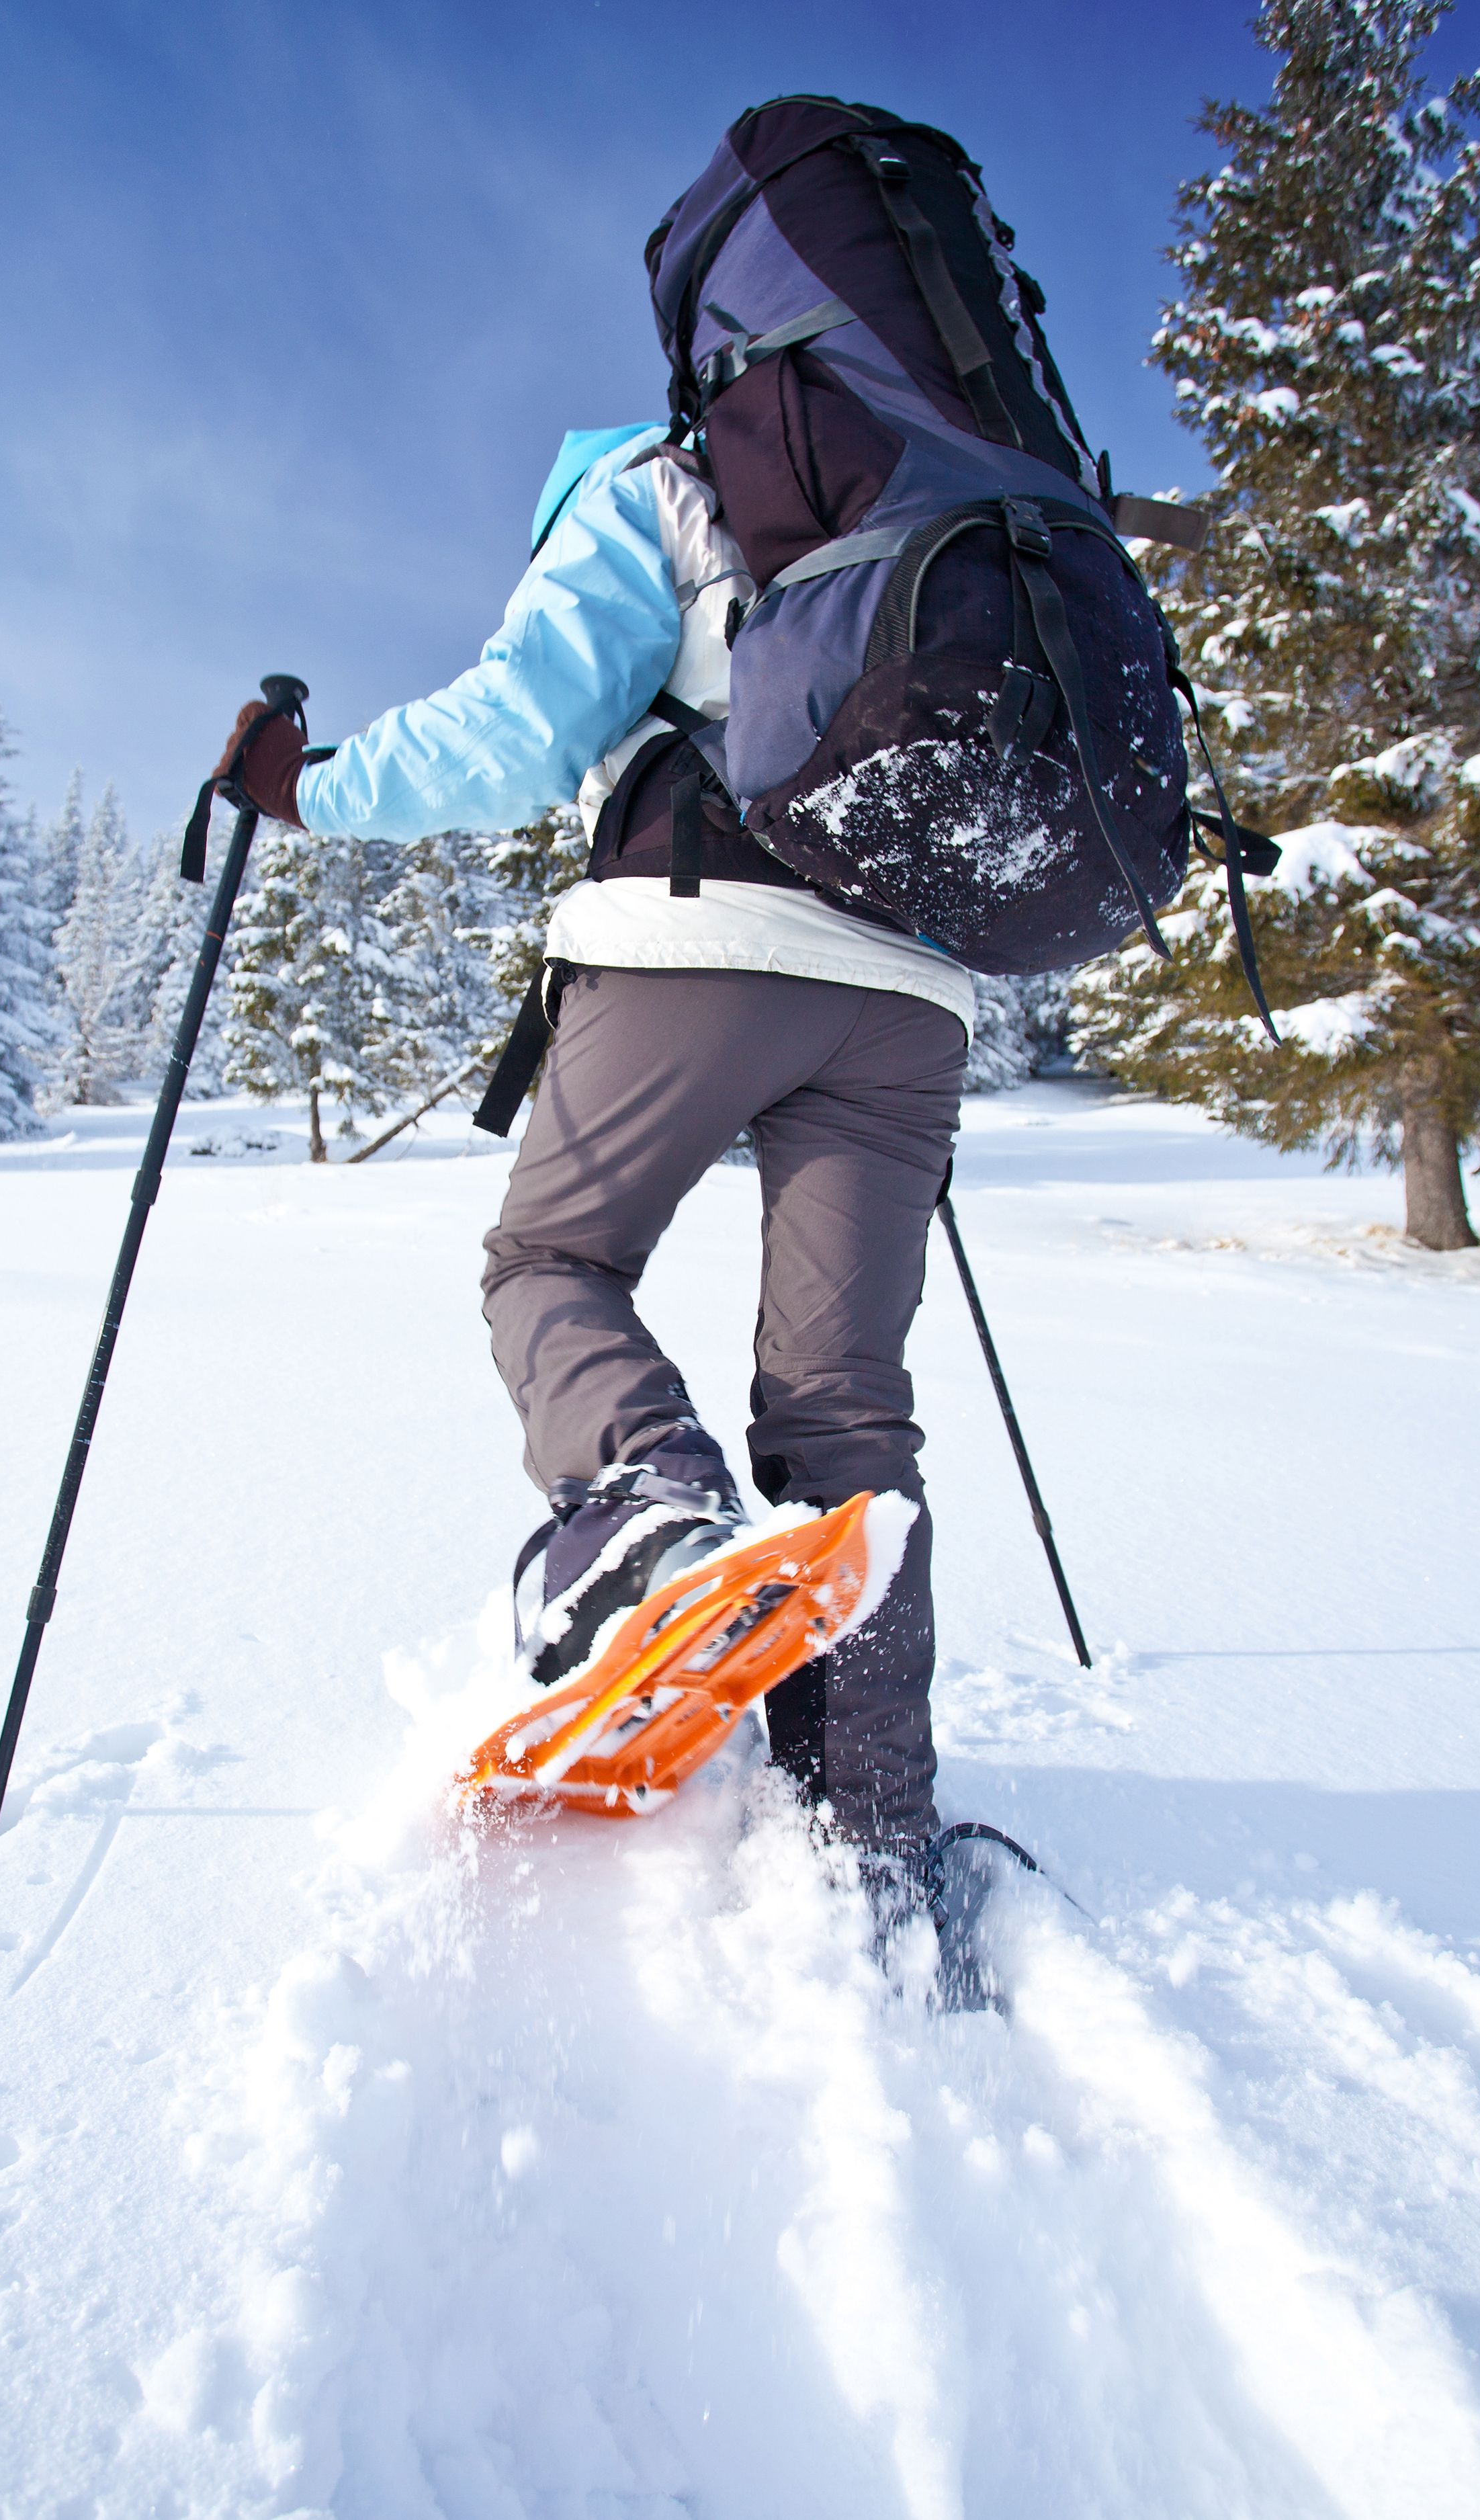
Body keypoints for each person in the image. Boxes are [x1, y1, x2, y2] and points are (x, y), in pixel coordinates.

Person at [215, 169, 984, 1927]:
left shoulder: (664, 478)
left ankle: (646, 1508)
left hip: (703, 931)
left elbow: (511, 731)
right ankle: (873, 1829)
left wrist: (302, 788)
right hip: (914, 995)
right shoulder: (947, 484)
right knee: (847, 1409)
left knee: (551, 1261)